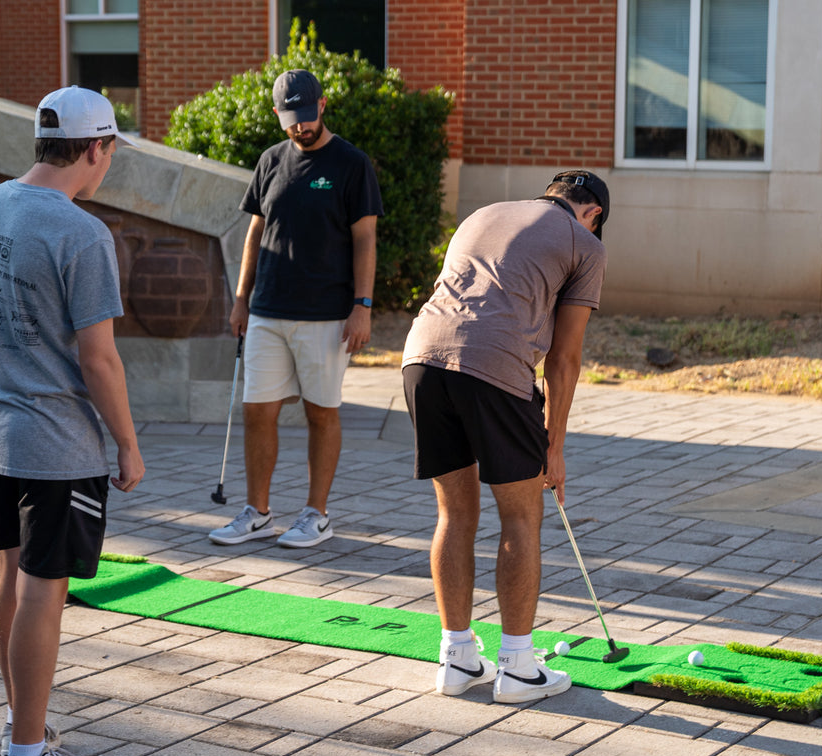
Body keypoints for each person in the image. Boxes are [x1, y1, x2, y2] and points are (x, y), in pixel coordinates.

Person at [0, 86, 144, 756]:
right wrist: (126, 444)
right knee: (44, 587)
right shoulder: (80, 232)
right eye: (109, 153)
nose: (108, 165)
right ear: (95, 148)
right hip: (53, 439)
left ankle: (21, 730)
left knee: (12, 575)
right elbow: (98, 359)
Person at [401, 171, 608, 704]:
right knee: (520, 514)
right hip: (494, 364)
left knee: (454, 513)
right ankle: (517, 667)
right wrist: (553, 447)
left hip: (421, 357)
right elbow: (564, 357)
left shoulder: (483, 212)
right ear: (594, 215)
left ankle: (457, 659)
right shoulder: (584, 244)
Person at [209, 68, 383, 549]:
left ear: (322, 106)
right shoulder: (270, 161)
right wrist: (241, 299)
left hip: (327, 314)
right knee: (256, 411)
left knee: (321, 412)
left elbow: (365, 239)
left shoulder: (351, 163)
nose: (300, 127)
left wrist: (362, 306)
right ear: (277, 115)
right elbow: (254, 234)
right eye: (291, 120)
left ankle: (316, 514)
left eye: (307, 117)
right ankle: (258, 512)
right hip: (267, 309)